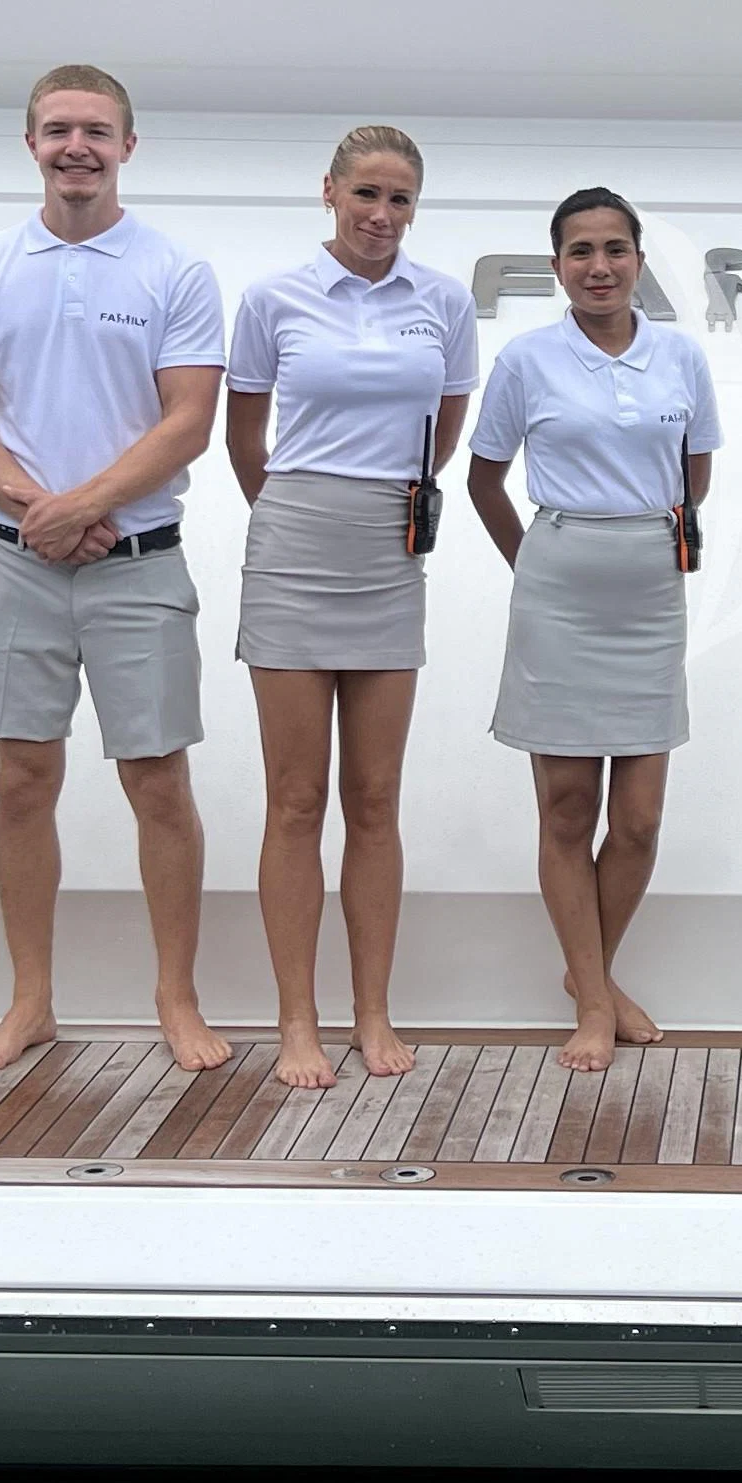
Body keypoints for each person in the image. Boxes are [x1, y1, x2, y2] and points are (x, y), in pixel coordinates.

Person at [0, 64, 228, 1075]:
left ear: (128, 146)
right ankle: (30, 1003)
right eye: (58, 130)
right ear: (31, 144)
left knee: (158, 785)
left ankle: (176, 999)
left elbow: (189, 420)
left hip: (136, 565)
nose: (77, 147)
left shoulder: (174, 273)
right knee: (21, 783)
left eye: (96, 130)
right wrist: (37, 512)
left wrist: (85, 507)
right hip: (18, 566)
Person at [227, 125, 479, 1089]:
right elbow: (244, 438)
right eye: (366, 194)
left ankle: (374, 1012)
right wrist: (301, 512)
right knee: (294, 801)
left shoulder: (445, 302)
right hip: (293, 540)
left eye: (401, 199)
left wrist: (380, 508)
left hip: (389, 547)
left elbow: (442, 429)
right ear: (329, 191)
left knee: (374, 801)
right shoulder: (273, 297)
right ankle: (299, 1020)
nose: (382, 215)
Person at [467, 187, 721, 1072]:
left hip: (650, 596)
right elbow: (484, 483)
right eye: (581, 252)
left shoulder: (680, 357)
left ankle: (592, 984)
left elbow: (696, 473)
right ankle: (595, 1000)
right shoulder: (526, 360)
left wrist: (649, 538)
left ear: (640, 262)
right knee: (568, 809)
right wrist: (537, 568)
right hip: (559, 594)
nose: (600, 266)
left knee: (641, 819)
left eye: (616, 249)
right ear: (558, 266)